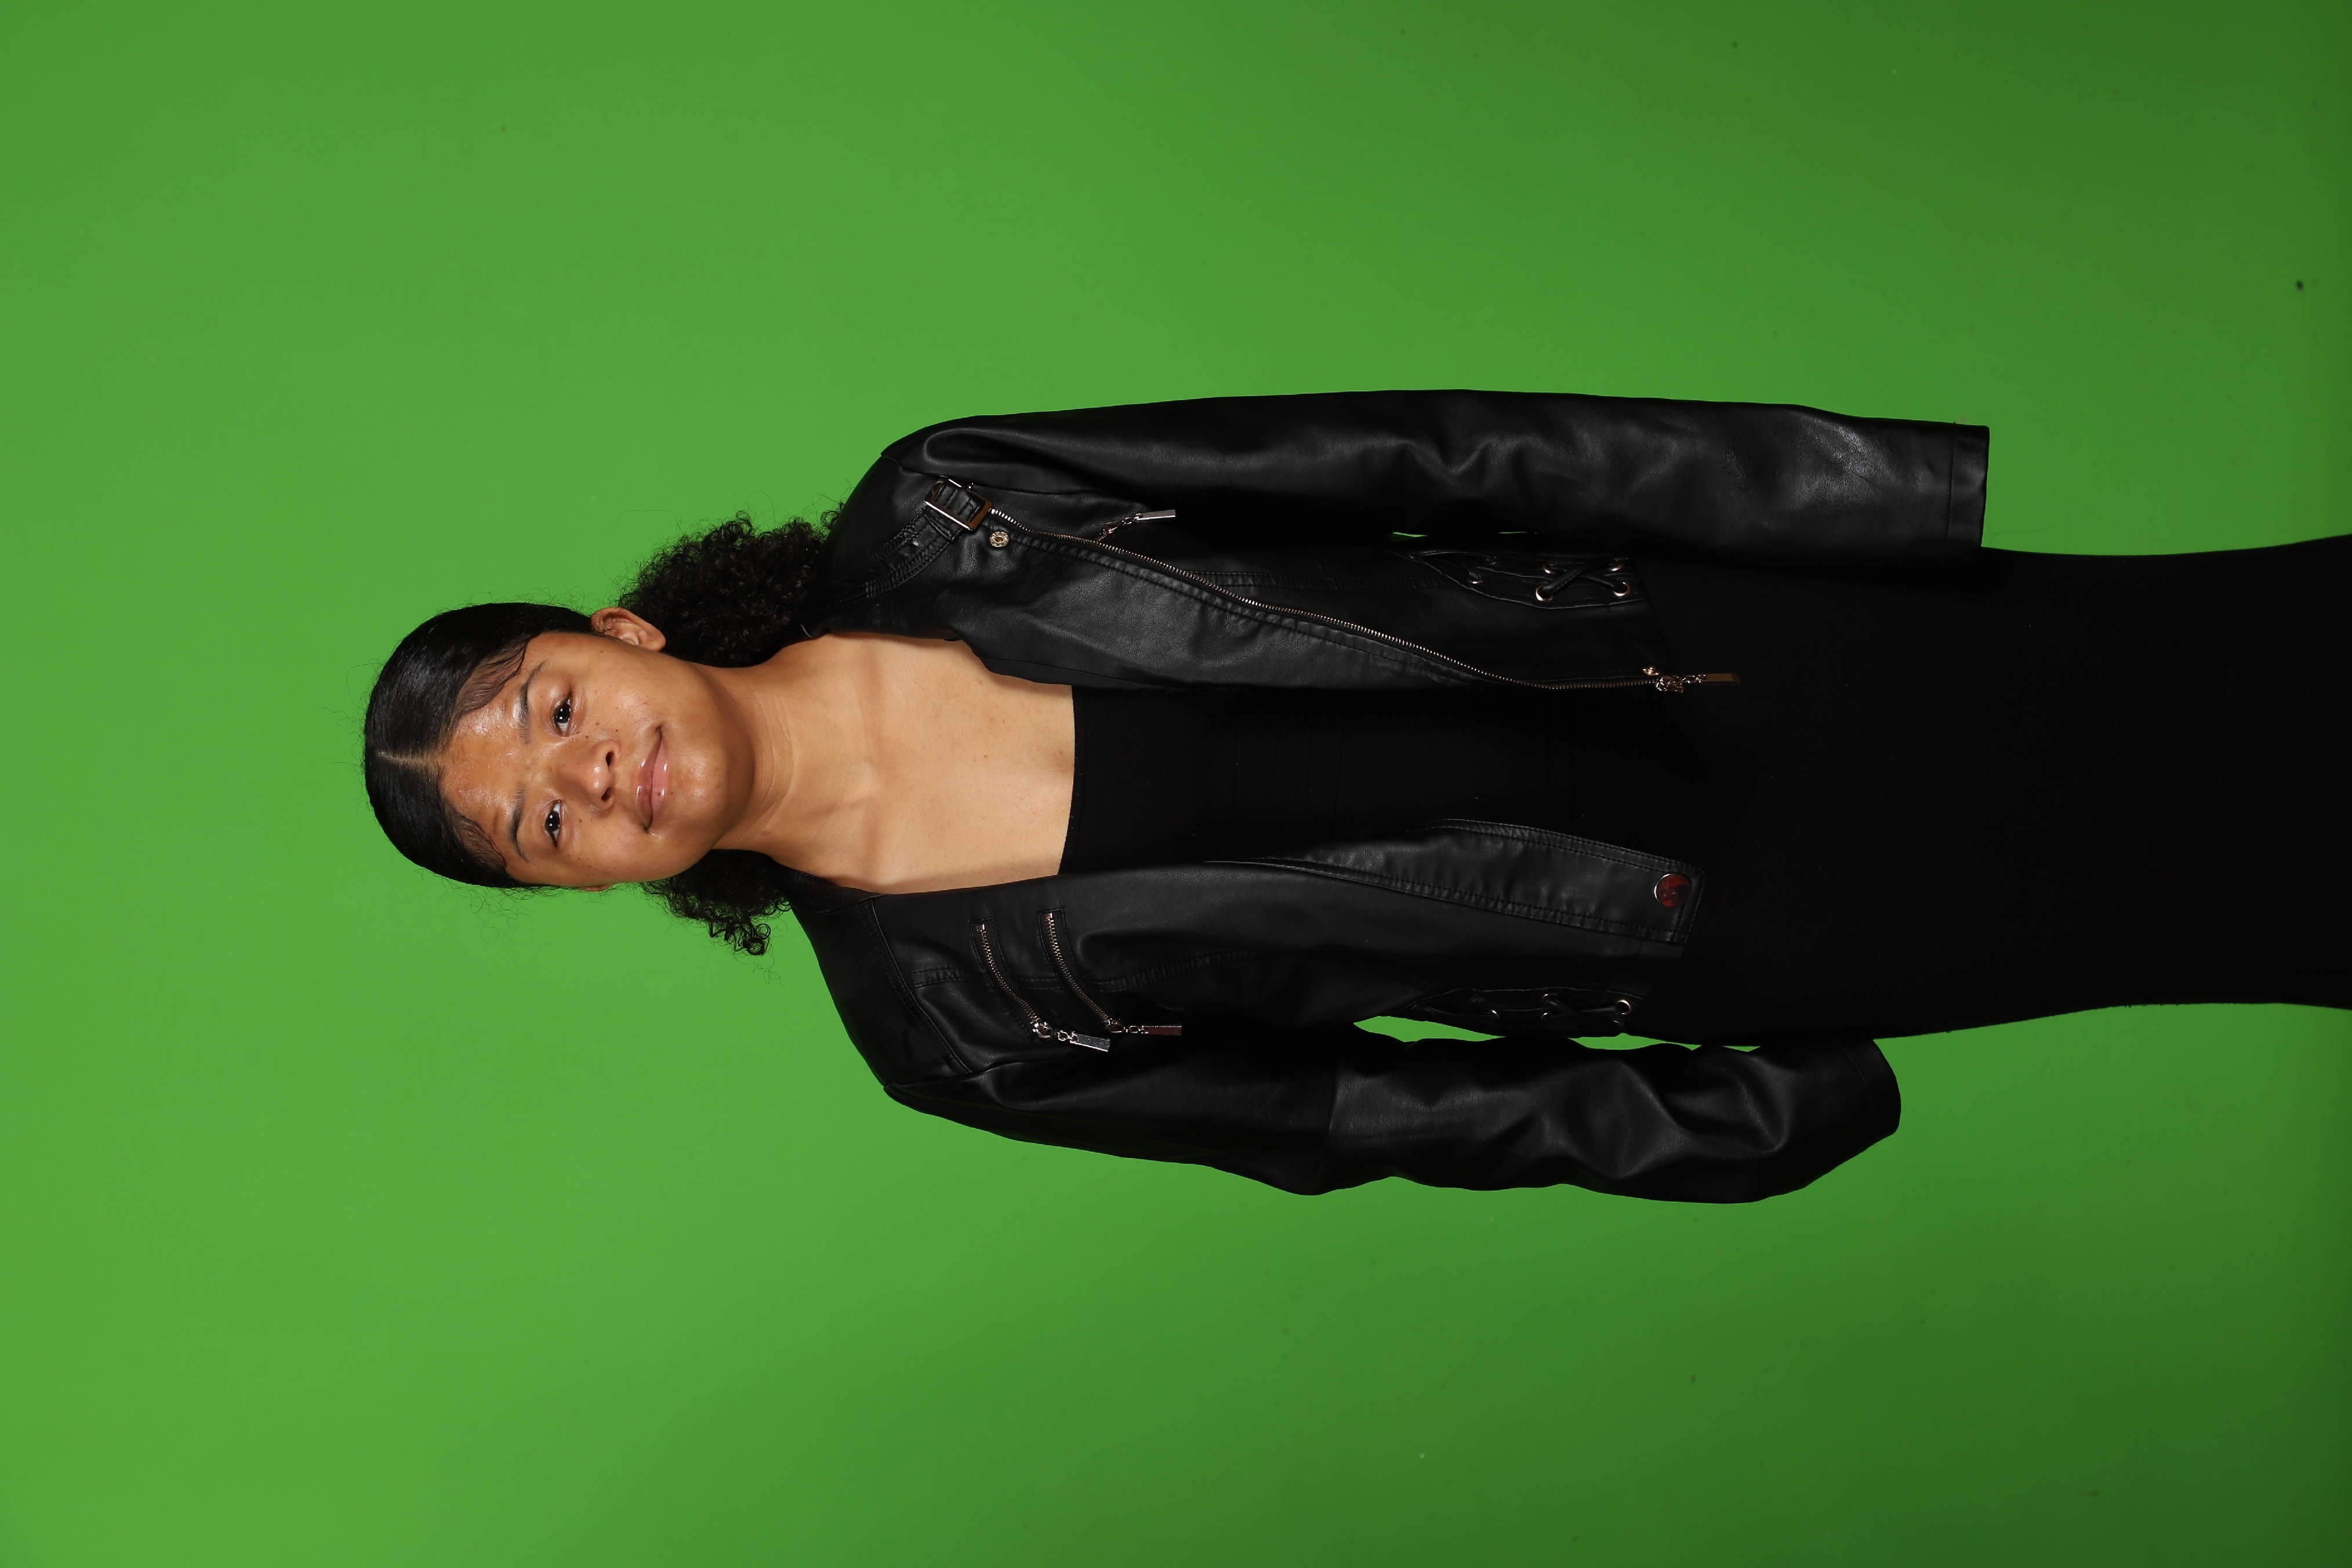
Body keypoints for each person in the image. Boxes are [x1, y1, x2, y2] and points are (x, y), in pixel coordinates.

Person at [362, 392, 2349, 1202]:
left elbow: (1400, 448)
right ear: (584, 888)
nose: (588, 775)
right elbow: (1349, 1118)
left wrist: (1830, 498)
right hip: (1686, 924)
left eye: (550, 710)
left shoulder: (950, 505)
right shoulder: (941, 1031)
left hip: (1702, 637)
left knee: (2244, 651)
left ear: (614, 630)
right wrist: (1723, 1121)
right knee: (2232, 905)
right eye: (542, 826)